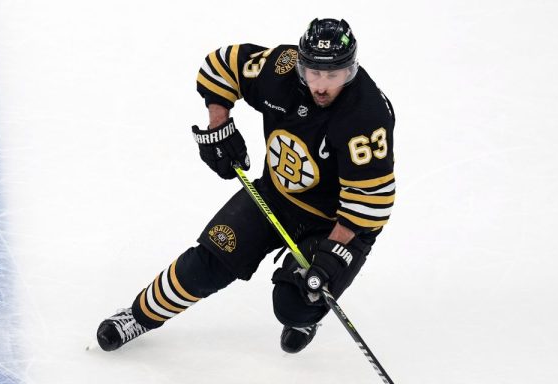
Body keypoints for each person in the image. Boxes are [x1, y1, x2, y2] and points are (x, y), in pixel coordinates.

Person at [96, 18, 396, 354]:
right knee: (207, 262)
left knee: (295, 302)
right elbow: (221, 65)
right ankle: (138, 316)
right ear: (300, 64)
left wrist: (331, 254)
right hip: (276, 195)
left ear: (350, 70)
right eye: (314, 73)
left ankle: (305, 316)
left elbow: (372, 201)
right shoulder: (279, 69)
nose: (322, 86)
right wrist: (218, 122)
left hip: (335, 222)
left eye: (333, 75)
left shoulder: (366, 117)